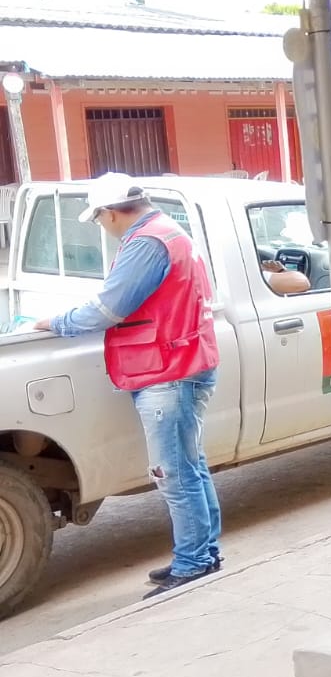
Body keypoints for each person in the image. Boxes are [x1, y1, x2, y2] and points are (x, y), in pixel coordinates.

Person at [33, 173, 222, 599]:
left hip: (168, 371)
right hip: (184, 362)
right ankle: (203, 553)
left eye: (99, 219)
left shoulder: (146, 243)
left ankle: (193, 563)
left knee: (172, 473)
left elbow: (108, 308)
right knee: (190, 467)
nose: (103, 227)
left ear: (113, 212)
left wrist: (56, 322)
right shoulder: (170, 231)